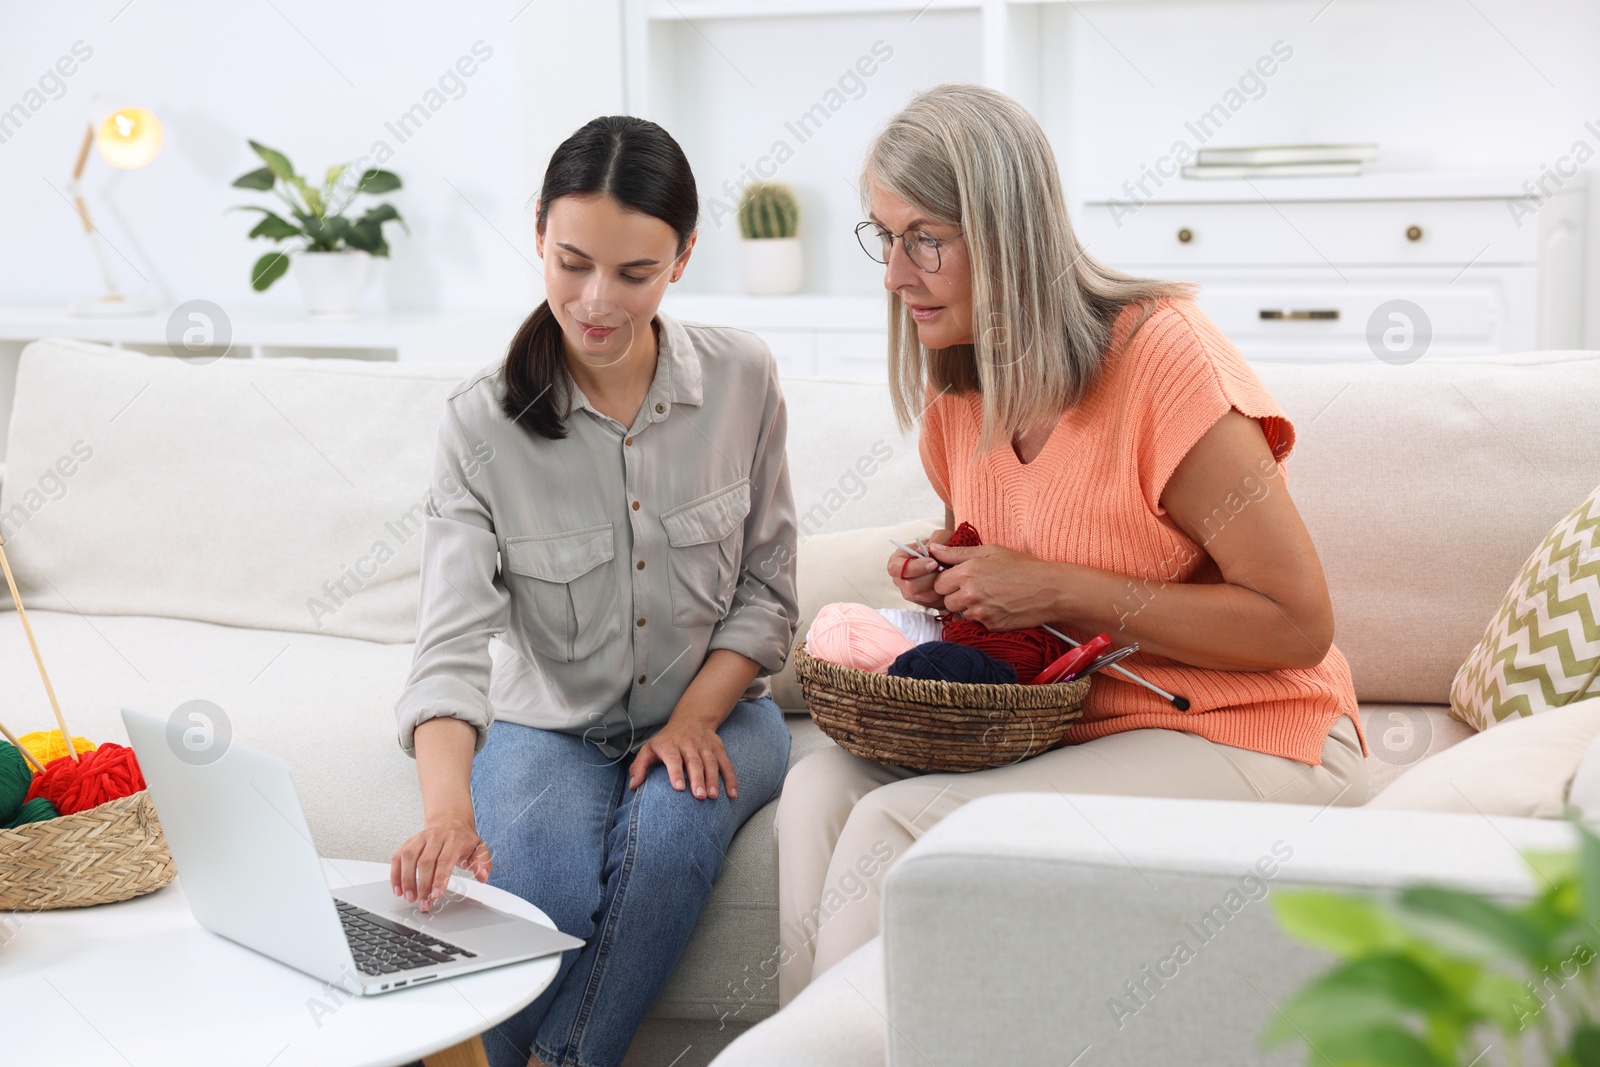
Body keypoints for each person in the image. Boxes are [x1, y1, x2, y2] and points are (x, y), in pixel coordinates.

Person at [710, 83, 1369, 1065]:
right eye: (881, 237)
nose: (894, 273)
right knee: (816, 791)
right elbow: (1010, 592)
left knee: (895, 823)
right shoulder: (957, 394)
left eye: (923, 237)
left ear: (1005, 231)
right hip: (1071, 726)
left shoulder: (1159, 356)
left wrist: (1054, 585)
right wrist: (953, 579)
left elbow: (1294, 620)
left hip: (1254, 730)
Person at [389, 115, 798, 1067]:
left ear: (684, 258)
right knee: (542, 887)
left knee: (671, 831)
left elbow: (769, 588)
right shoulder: (479, 426)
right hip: (551, 723)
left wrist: (695, 717)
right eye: (571, 261)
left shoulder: (744, 378)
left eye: (634, 273)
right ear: (538, 231)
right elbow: (448, 649)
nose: (595, 300)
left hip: (723, 708)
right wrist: (449, 808)